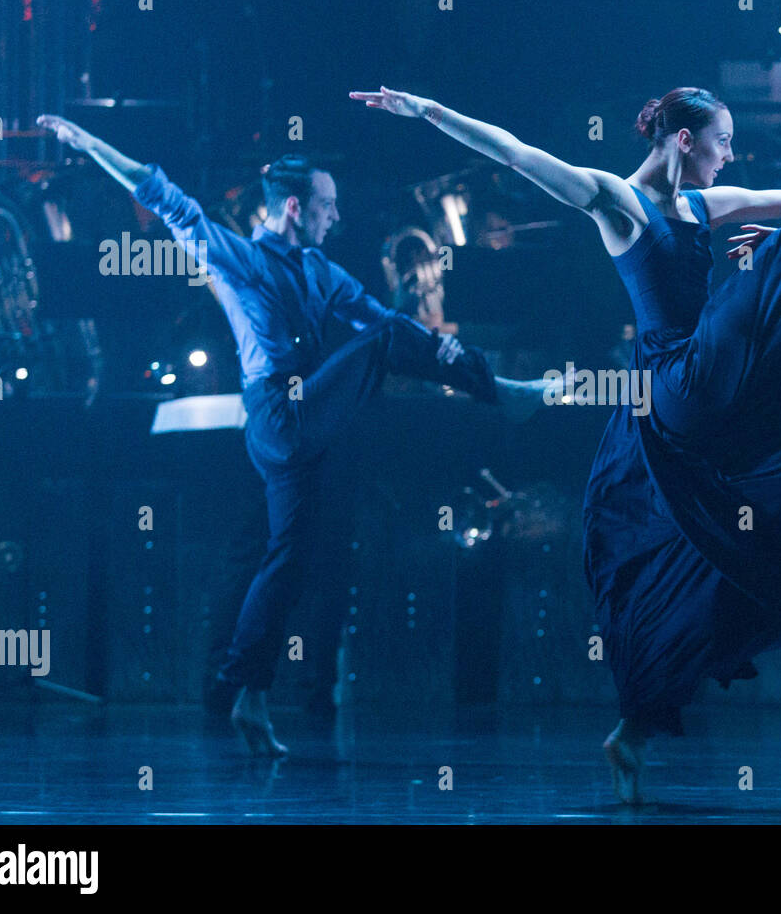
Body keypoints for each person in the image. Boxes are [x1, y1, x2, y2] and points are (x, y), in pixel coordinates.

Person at [348, 86, 781, 803]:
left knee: (710, 565)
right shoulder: (618, 201)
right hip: (676, 382)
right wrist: (429, 111)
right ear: (683, 140)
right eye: (722, 141)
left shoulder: (701, 208)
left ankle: (634, 731)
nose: (731, 154)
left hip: (713, 384)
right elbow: (516, 152)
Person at [36, 114, 556, 756]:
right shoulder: (239, 257)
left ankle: (245, 692)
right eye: (327, 206)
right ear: (293, 206)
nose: (335, 219)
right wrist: (90, 145)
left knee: (286, 559)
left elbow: (381, 316)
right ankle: (499, 393)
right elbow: (162, 196)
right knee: (384, 340)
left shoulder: (318, 270)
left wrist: (439, 350)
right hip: (280, 417)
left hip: (307, 418)